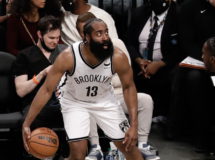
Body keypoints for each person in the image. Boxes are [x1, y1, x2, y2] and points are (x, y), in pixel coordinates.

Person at [22, 18, 144, 160]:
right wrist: (27, 123)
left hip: (105, 101)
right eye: (99, 34)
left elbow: (129, 87)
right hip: (74, 102)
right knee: (78, 154)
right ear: (86, 37)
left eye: (106, 32)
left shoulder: (117, 57)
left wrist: (134, 125)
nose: (105, 37)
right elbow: (46, 90)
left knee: (129, 148)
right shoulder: (68, 57)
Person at [76, 13, 159, 160]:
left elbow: (126, 77)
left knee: (145, 99)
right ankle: (96, 148)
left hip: (120, 95)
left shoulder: (117, 45)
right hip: (98, 100)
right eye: (86, 32)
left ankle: (143, 145)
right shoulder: (78, 52)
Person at [168, 0, 215, 154]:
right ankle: (200, 136)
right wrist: (207, 61)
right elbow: (186, 41)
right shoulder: (189, 6)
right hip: (199, 61)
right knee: (194, 79)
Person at [12, 15, 67, 159]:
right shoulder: (25, 56)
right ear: (39, 35)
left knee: (80, 114)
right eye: (51, 38)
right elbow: (21, 91)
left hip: (62, 101)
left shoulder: (64, 53)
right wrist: (42, 74)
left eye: (57, 38)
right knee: (28, 121)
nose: (55, 42)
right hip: (35, 103)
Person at [126, 0, 181, 119]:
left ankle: (166, 118)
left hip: (166, 65)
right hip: (139, 63)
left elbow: (181, 49)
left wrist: (160, 64)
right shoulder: (139, 13)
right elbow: (129, 43)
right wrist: (138, 60)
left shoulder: (178, 14)